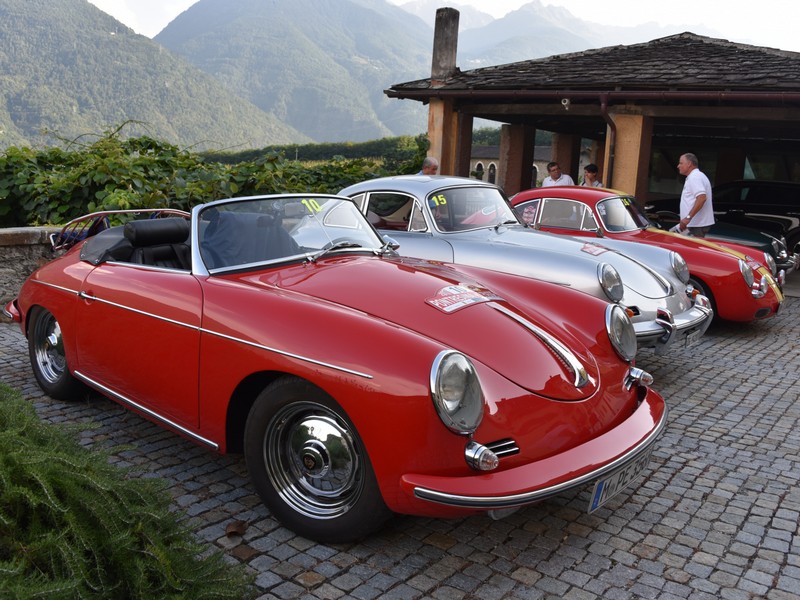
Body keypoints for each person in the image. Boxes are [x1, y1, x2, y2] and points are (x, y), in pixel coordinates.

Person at [676, 153, 714, 237]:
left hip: (695, 225)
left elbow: (702, 198)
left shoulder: (695, 177)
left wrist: (688, 218)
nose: (678, 166)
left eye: (681, 163)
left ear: (689, 164)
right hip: (694, 224)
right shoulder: (697, 176)